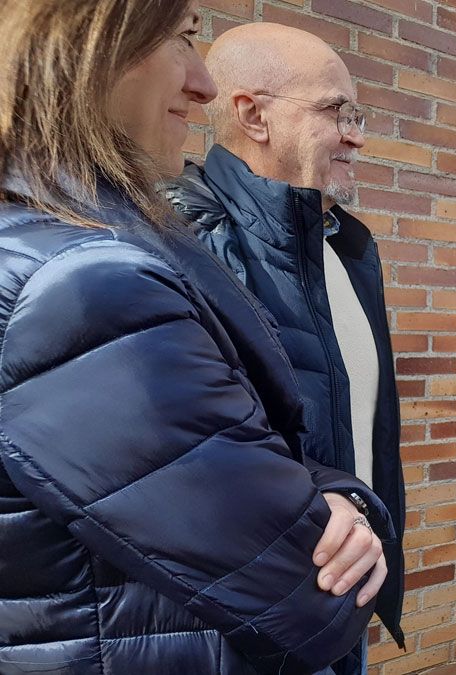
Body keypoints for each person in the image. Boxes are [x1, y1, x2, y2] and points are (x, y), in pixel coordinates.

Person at [0, 2, 397, 673]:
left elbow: (271, 440)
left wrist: (352, 500)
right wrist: (348, 525)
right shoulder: (99, 276)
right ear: (91, 47)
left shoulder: (348, 247)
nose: (202, 83)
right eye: (336, 111)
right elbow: (297, 578)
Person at [161, 23, 405, 668]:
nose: (357, 134)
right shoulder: (181, 240)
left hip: (338, 595)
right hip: (250, 624)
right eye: (334, 111)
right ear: (253, 116)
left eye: (358, 114)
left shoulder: (344, 244)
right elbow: (186, 462)